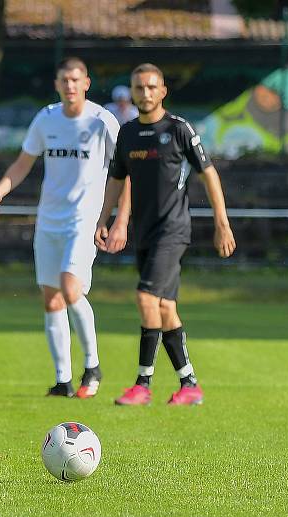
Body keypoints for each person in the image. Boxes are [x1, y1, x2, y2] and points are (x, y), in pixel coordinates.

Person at [0, 57, 126, 399]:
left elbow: (123, 173)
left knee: (70, 287)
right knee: (51, 300)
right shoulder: (46, 118)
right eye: (65, 80)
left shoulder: (102, 120)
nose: (70, 86)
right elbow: (22, 164)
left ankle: (92, 365)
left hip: (85, 220)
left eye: (76, 80)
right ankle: (62, 379)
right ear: (57, 83)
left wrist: (117, 218)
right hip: (49, 220)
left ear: (86, 83)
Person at [95, 63, 236, 406]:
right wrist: (105, 218)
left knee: (146, 298)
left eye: (151, 87)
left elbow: (209, 173)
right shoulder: (127, 133)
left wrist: (222, 222)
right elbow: (116, 179)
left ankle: (142, 384)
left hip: (173, 231)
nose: (145, 93)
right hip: (144, 232)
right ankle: (190, 384)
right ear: (132, 91)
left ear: (163, 91)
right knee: (165, 307)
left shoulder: (179, 129)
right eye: (139, 88)